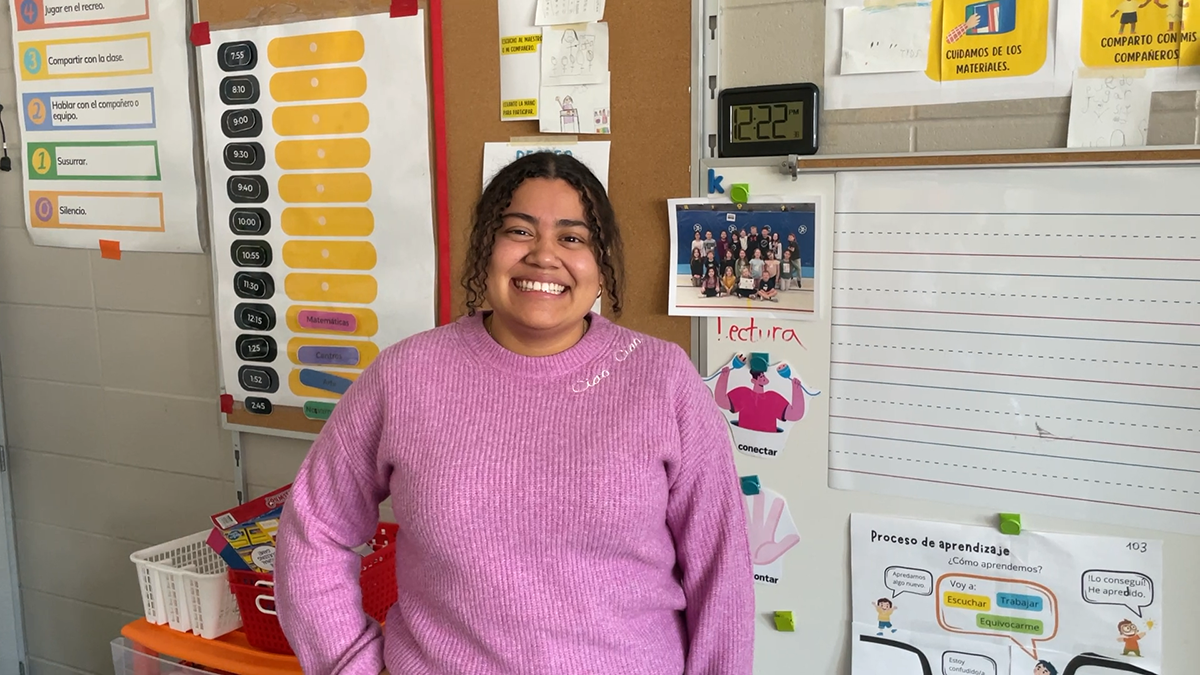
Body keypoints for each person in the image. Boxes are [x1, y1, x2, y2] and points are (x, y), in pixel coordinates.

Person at [275, 152, 755, 674]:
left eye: (572, 238)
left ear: (602, 265)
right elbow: (315, 528)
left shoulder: (663, 378)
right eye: (519, 231)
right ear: (487, 248)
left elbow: (720, 567)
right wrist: (349, 665)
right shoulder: (404, 376)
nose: (545, 255)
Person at [712, 353, 806, 433]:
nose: (763, 377)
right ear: (753, 380)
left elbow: (795, 414)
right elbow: (721, 401)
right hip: (744, 438)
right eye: (761, 377)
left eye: (763, 376)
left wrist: (796, 388)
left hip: (769, 442)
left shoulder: (773, 398)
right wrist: (724, 376)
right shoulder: (743, 393)